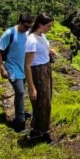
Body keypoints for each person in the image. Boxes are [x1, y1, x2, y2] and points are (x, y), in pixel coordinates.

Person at [0, 13, 34, 131]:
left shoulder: (29, 32)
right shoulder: (9, 33)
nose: (27, 28)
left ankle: (20, 113)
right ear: (20, 23)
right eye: (26, 26)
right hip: (13, 68)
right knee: (20, 92)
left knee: (21, 93)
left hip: (26, 68)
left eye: (29, 26)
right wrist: (2, 67)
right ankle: (20, 122)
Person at [24, 13, 57, 143]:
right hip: (38, 72)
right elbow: (27, 65)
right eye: (48, 26)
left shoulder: (41, 35)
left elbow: (42, 49)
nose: (50, 28)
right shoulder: (31, 40)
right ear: (40, 25)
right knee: (41, 103)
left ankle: (41, 130)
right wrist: (31, 87)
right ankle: (39, 132)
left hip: (45, 69)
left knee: (46, 101)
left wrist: (50, 51)